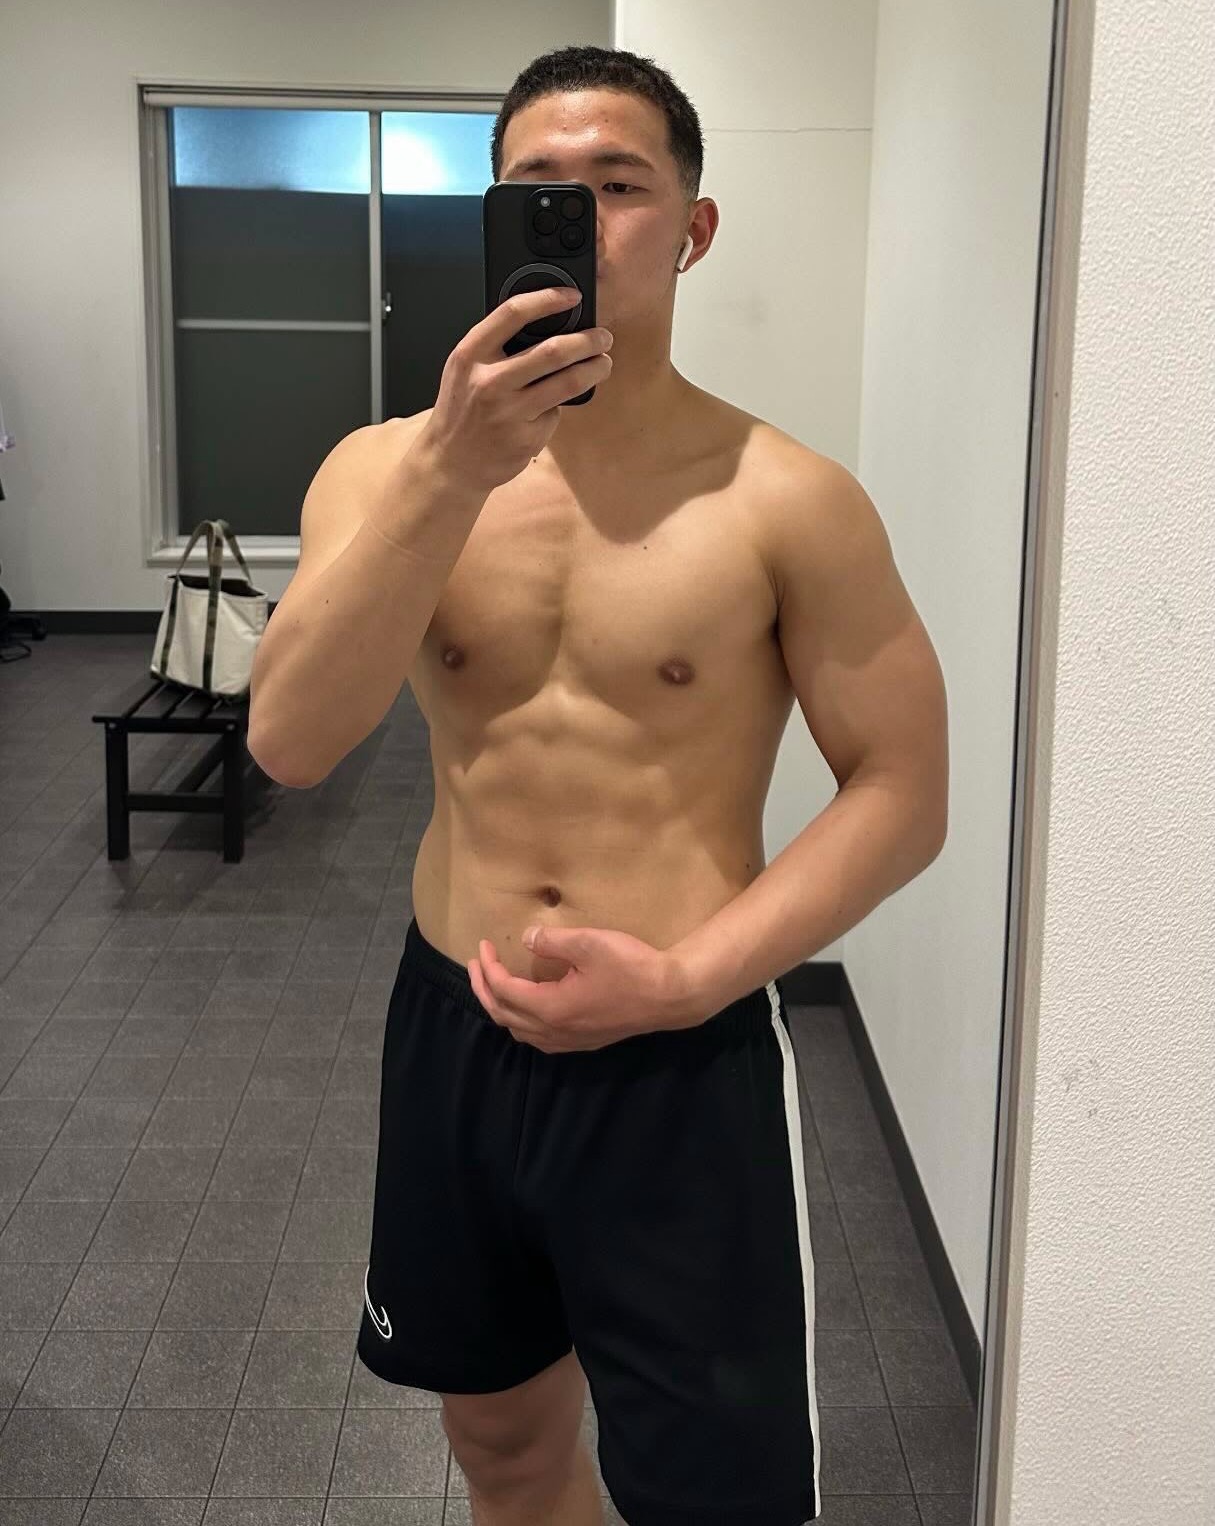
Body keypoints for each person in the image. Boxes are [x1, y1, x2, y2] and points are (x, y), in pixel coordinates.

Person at [248, 44, 948, 1526]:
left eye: (620, 186)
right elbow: (292, 744)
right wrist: (456, 468)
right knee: (503, 1449)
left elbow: (903, 788)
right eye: (538, 190)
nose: (581, 218)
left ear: (694, 228)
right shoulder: (383, 472)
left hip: (677, 1057)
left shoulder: (789, 499)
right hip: (456, 1027)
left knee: (718, 1496)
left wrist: (691, 979)